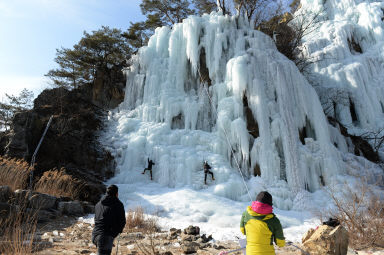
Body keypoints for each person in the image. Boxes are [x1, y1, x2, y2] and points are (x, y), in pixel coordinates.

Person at [92, 184, 126, 255]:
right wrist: (113, 235)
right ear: (116, 194)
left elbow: (97, 220)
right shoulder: (118, 204)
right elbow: (122, 222)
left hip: (95, 235)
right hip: (106, 237)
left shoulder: (98, 204)